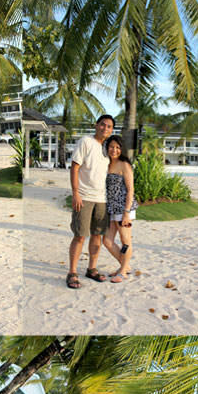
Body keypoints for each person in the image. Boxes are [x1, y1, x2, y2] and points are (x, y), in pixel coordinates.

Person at [67, 115, 115, 289]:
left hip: (102, 199)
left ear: (112, 130)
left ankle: (91, 269)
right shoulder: (86, 141)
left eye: (109, 126)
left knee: (97, 235)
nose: (105, 128)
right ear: (96, 125)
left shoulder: (108, 147)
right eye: (102, 124)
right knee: (80, 235)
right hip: (85, 197)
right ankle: (72, 272)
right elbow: (75, 167)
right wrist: (76, 194)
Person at [102, 135, 138, 283]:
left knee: (125, 240)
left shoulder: (124, 165)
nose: (114, 150)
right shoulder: (107, 163)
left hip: (124, 208)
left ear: (122, 149)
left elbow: (131, 190)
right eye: (111, 147)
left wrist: (126, 213)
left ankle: (122, 271)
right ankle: (125, 265)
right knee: (107, 241)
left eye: (117, 147)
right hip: (111, 208)